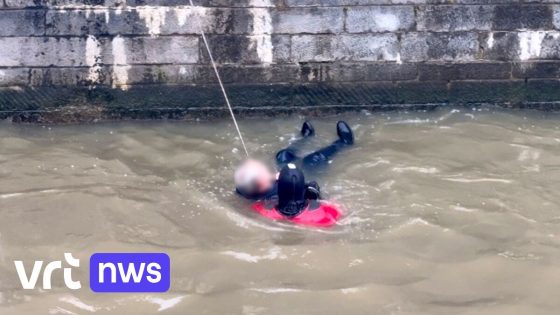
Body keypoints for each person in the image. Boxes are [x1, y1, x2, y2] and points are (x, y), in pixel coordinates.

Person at [234, 121, 354, 226]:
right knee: (313, 158)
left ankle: (305, 138)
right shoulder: (270, 198)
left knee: (283, 155)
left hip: (285, 174)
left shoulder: (248, 191)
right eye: (262, 172)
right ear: (260, 182)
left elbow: (242, 189)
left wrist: (271, 177)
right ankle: (344, 142)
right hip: (300, 178)